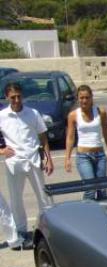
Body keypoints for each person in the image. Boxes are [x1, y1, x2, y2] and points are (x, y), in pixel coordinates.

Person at [0, 82, 53, 250]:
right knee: (16, 200)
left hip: (33, 161)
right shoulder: (2, 116)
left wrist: (48, 159)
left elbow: (43, 137)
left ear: (22, 96)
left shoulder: (33, 113)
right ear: (7, 97)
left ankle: (48, 229)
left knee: (43, 197)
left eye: (19, 96)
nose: (16, 100)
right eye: (12, 97)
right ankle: (21, 232)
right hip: (14, 163)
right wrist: (1, 150)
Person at [64, 85, 107, 200]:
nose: (84, 100)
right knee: (90, 189)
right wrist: (67, 158)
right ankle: (86, 214)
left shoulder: (100, 112)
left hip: (100, 155)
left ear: (91, 97)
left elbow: (106, 133)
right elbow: (70, 137)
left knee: (102, 190)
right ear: (78, 98)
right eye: (81, 98)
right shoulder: (73, 115)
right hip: (83, 157)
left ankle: (102, 215)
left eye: (87, 97)